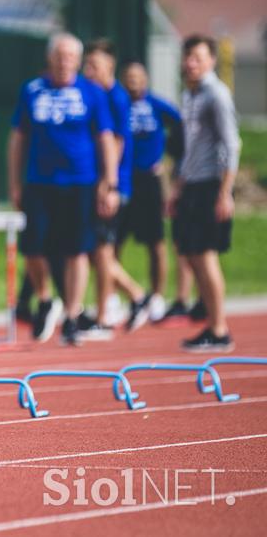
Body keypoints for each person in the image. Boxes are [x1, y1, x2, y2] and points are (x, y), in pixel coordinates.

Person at [8, 33, 118, 346]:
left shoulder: (92, 93)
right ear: (49, 58)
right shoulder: (32, 90)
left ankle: (71, 314)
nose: (64, 61)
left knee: (77, 250)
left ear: (79, 60)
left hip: (80, 182)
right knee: (32, 247)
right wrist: (14, 183)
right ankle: (45, 299)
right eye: (59, 55)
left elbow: (106, 138)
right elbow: (17, 139)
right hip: (40, 182)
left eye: (70, 56)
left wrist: (109, 183)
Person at [170, 35, 241, 352]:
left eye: (197, 57)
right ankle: (210, 320)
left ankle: (219, 328)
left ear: (211, 60)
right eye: (188, 57)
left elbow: (231, 144)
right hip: (193, 183)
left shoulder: (216, 94)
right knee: (191, 253)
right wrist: (179, 186)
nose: (190, 63)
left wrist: (225, 192)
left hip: (212, 183)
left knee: (205, 254)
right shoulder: (191, 94)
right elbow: (191, 147)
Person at [80, 40, 153, 339]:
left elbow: (118, 142)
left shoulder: (116, 98)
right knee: (96, 253)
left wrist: (108, 184)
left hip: (113, 185)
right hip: (98, 183)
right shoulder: (97, 95)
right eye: (87, 65)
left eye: (94, 66)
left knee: (101, 252)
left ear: (109, 68)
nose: (88, 71)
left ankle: (106, 314)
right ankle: (135, 297)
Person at [118, 61, 191, 325]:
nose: (133, 81)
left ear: (146, 79)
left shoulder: (157, 105)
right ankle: (115, 298)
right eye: (128, 77)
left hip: (149, 180)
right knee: (114, 241)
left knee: (156, 242)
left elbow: (182, 128)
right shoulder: (118, 105)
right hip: (123, 179)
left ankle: (157, 297)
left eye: (138, 76)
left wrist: (169, 162)